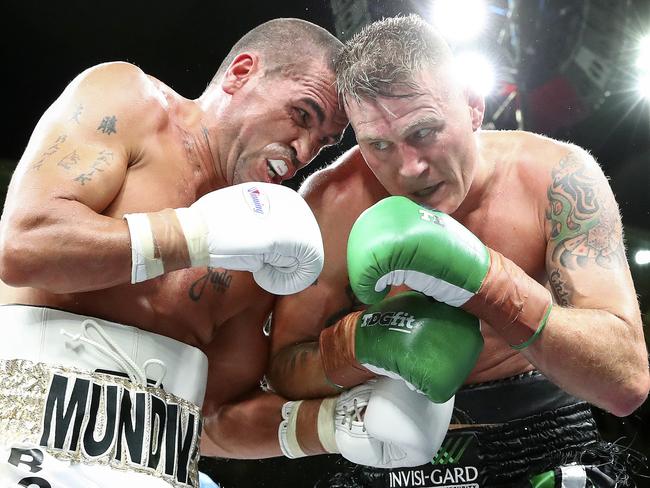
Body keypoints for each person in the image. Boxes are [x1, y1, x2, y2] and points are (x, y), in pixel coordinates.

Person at [267, 15, 650, 487]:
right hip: (394, 448)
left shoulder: (556, 179)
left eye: (424, 131)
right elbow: (284, 369)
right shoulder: (331, 205)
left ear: (473, 107)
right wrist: (361, 342)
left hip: (544, 439)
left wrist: (487, 281)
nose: (408, 167)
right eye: (378, 144)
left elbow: (626, 382)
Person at [0, 17, 354, 488]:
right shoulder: (128, 101)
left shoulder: (263, 248)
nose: (306, 149)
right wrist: (193, 235)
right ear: (241, 73)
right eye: (303, 115)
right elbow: (26, 244)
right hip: (22, 459)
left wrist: (340, 425)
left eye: (326, 142)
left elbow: (214, 420)